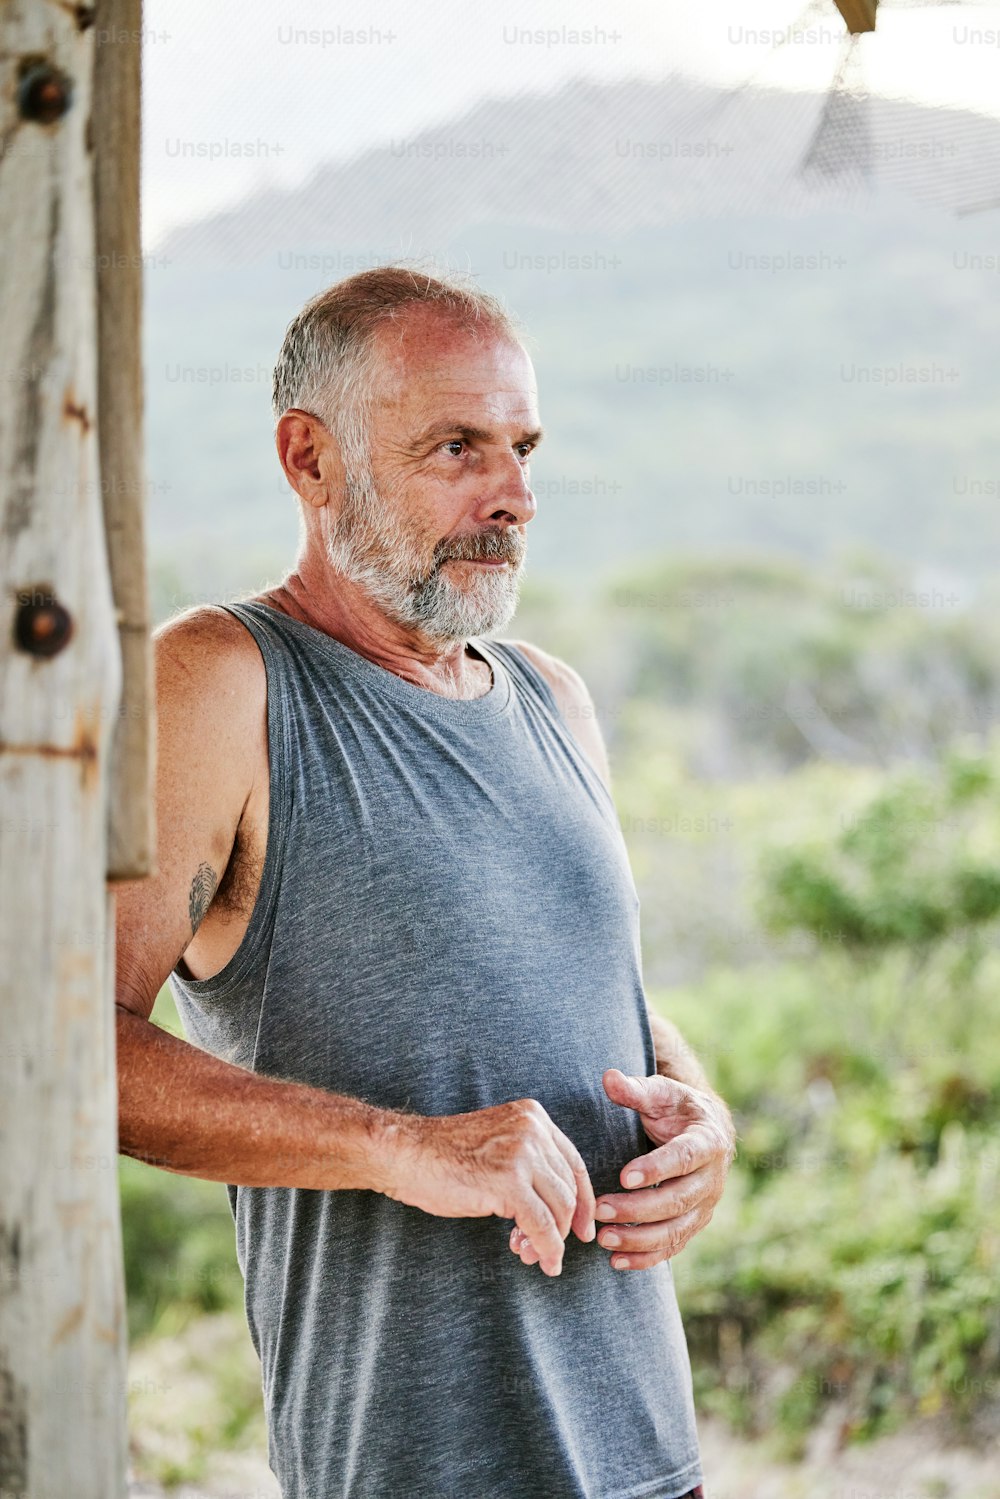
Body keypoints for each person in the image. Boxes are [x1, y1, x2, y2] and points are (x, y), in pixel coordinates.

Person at [115, 265, 735, 1499]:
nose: (513, 495)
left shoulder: (554, 696)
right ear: (311, 457)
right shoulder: (217, 681)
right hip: (411, 1464)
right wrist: (405, 1148)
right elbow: (55, 1050)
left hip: (650, 1452)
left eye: (520, 445)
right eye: (458, 446)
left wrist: (700, 1110)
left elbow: (588, 991)